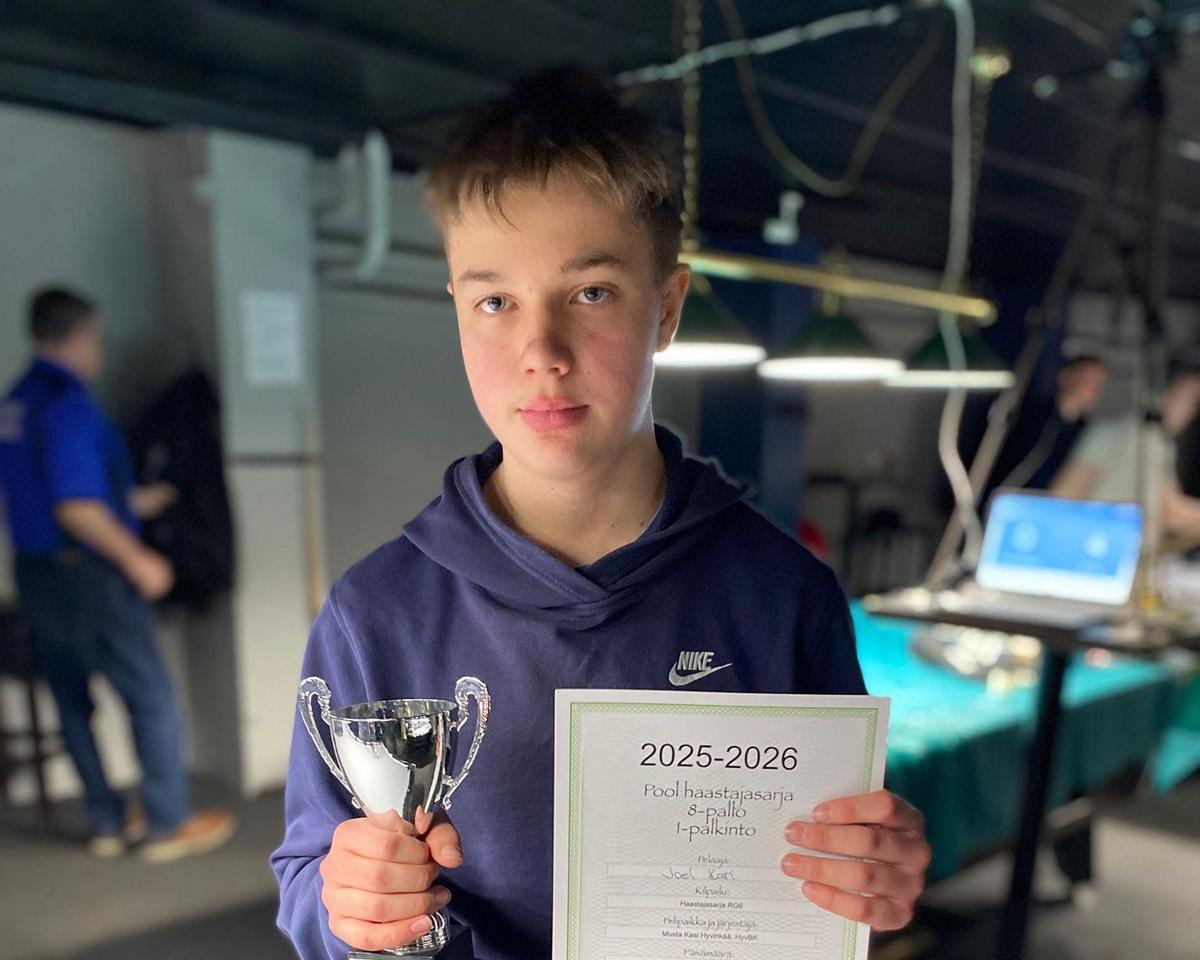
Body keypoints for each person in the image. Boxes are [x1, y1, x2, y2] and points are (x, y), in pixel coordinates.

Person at [272, 69, 930, 960]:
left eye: (590, 293)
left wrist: (872, 877)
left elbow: (838, 872)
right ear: (457, 310)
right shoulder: (374, 612)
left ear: (667, 308)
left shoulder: (786, 597)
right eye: (495, 301)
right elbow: (307, 876)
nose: (541, 352)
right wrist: (347, 907)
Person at [0, 287, 236, 860]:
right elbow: (76, 507)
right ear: (81, 337)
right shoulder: (70, 407)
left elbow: (52, 491)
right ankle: (167, 824)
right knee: (149, 692)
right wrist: (138, 558)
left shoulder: (16, 403)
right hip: (90, 575)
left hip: (37, 573)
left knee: (71, 700)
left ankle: (106, 822)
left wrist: (135, 503)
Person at [1053, 366, 1200, 541]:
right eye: (1191, 399)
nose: (1192, 411)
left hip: (1129, 549)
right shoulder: (1119, 433)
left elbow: (1171, 509)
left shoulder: (1162, 445)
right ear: (1164, 392)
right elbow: (1065, 493)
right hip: (1100, 545)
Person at [982, 354, 1108, 499]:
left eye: (1098, 385)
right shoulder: (1031, 414)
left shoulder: (1085, 434)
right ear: (1066, 376)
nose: (1092, 391)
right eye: (1087, 381)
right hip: (1000, 495)